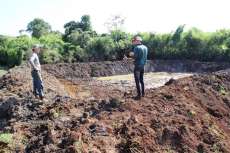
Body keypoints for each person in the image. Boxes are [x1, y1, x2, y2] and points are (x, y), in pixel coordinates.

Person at [129, 36, 148, 100]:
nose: (133, 42)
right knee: (141, 80)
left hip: (137, 66)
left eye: (133, 41)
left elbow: (135, 57)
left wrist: (131, 55)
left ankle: (139, 95)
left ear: (137, 41)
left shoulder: (136, 48)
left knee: (137, 81)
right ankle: (143, 93)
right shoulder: (145, 47)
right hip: (143, 66)